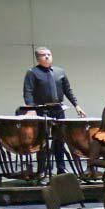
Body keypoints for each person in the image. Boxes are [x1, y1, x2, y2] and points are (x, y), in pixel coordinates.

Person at [23, 46, 86, 176]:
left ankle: (61, 168)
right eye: (43, 55)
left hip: (58, 109)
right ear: (37, 58)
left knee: (60, 140)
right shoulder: (32, 72)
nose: (46, 56)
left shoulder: (60, 71)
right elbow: (28, 92)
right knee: (42, 141)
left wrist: (76, 105)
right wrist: (31, 108)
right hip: (42, 110)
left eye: (49, 54)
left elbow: (68, 90)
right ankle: (42, 170)